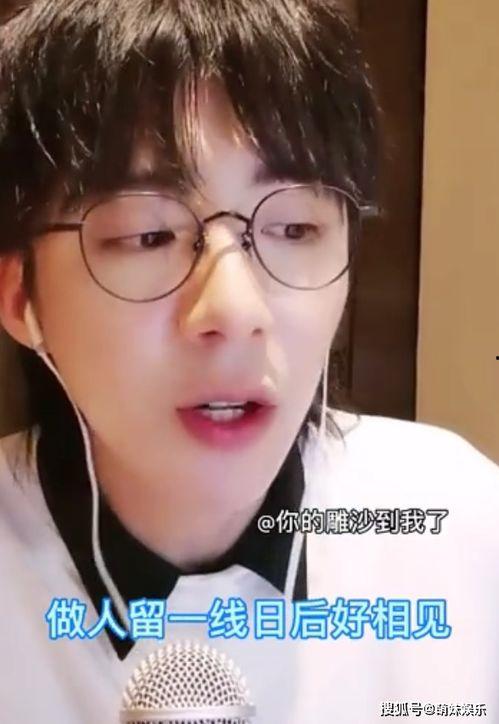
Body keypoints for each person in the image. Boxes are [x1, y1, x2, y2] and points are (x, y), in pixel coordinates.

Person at [0, 1, 497, 722]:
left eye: (294, 227)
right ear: (21, 296)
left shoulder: (459, 523)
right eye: (147, 235)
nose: (235, 309)